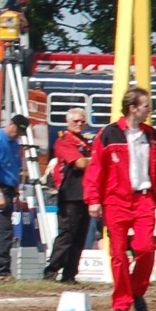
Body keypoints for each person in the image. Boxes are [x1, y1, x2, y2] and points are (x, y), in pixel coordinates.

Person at [83, 87, 156, 311]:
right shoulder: (108, 134)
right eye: (146, 106)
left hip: (144, 199)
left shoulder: (151, 136)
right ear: (133, 108)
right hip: (115, 201)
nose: (149, 110)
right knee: (119, 254)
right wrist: (93, 199)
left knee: (146, 248)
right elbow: (95, 169)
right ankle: (121, 305)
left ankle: (136, 290)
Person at [43, 107, 92, 284]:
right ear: (68, 122)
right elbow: (79, 163)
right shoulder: (64, 141)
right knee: (66, 235)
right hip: (70, 194)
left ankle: (70, 275)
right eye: (75, 121)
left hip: (85, 194)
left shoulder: (85, 142)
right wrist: (96, 160)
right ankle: (51, 272)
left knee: (80, 236)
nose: (79, 124)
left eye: (82, 121)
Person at [0, 113, 30, 282]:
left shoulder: (15, 144)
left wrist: (17, 194)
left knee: (1, 232)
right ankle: (0, 271)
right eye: (17, 131)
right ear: (11, 124)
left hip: (8, 189)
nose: (18, 136)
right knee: (4, 231)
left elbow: (14, 171)